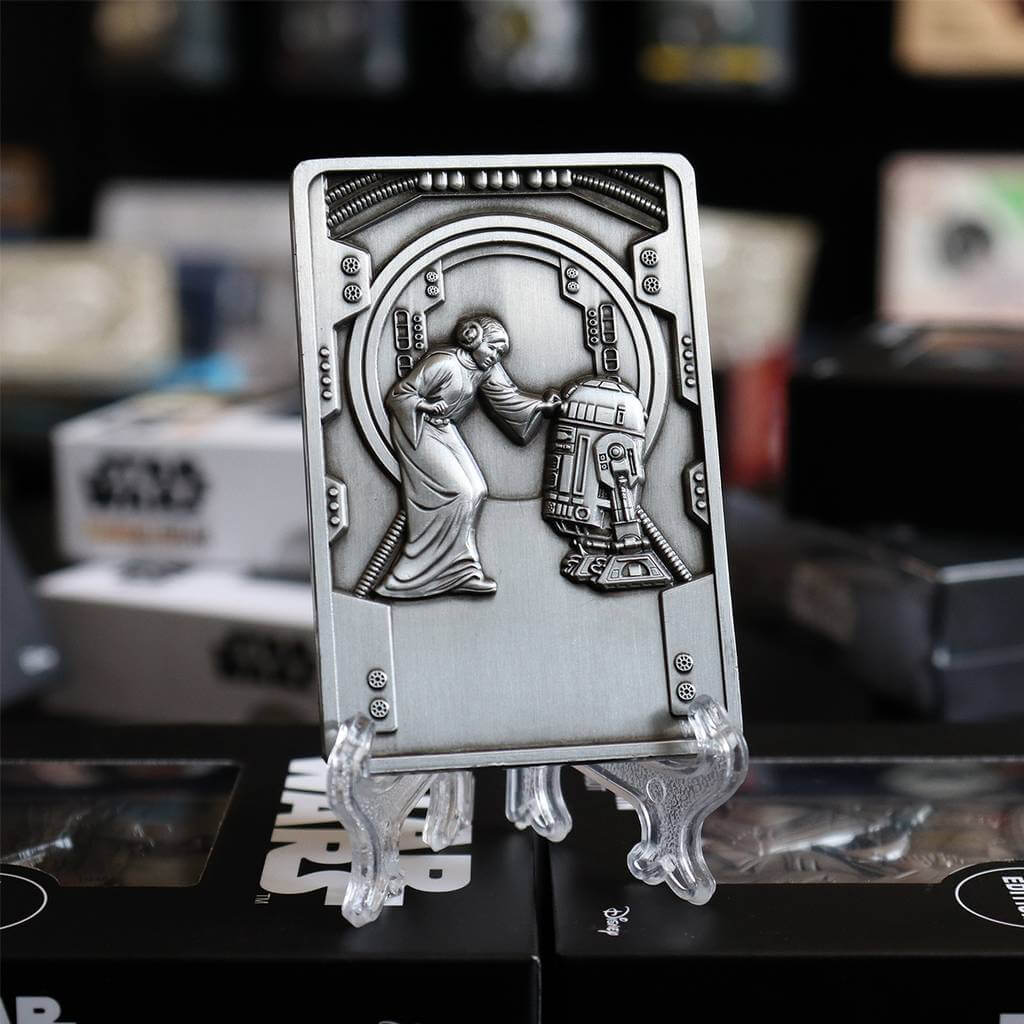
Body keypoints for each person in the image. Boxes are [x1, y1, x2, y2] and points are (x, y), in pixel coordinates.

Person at [377, 313, 561, 599]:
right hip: (419, 429)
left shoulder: (486, 368)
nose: (495, 356)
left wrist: (541, 406)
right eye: (492, 348)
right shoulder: (444, 363)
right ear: (474, 339)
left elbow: (507, 397)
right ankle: (413, 576)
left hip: (444, 429)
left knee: (477, 490)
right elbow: (399, 395)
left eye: (500, 352)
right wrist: (425, 406)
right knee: (460, 492)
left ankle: (463, 571)